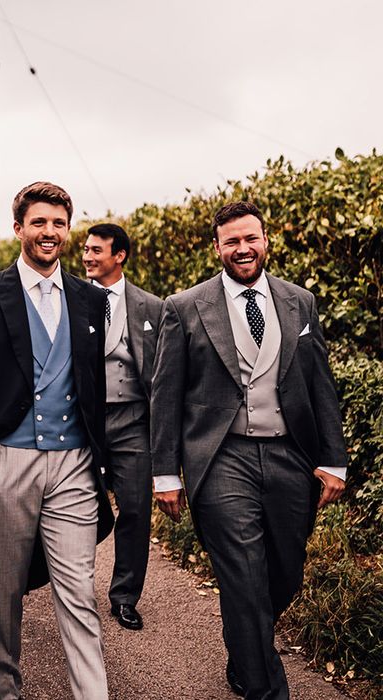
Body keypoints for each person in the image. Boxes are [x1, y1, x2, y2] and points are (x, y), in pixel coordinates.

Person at [150, 200, 347, 699]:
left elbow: (319, 384)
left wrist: (333, 458)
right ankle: (267, 688)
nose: (242, 248)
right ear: (216, 247)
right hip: (221, 458)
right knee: (243, 579)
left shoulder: (299, 302)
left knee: (283, 574)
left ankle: (244, 646)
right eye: (231, 241)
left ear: (265, 239)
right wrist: (166, 473)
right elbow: (166, 394)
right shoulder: (185, 306)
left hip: (290, 457)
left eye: (250, 238)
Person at [0, 182, 114, 700]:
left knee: (80, 592)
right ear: (19, 228)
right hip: (6, 462)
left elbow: (93, 383)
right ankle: (5, 688)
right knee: (6, 592)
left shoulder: (90, 299)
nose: (49, 232)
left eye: (58, 223)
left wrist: (99, 458)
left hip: (73, 466)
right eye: (39, 222)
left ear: (68, 228)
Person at [82, 223, 162, 631]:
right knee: (81, 509)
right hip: (83, 421)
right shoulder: (73, 300)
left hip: (133, 420)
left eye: (97, 250)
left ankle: (125, 596)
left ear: (120, 256)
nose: (88, 257)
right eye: (86, 249)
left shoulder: (152, 307)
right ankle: (76, 588)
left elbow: (165, 374)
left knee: (134, 508)